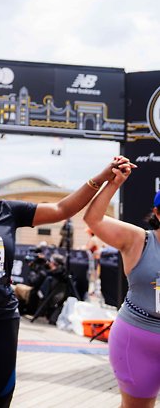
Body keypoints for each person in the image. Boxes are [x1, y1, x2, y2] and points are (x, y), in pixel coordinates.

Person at [0, 155, 131, 408]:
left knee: (1, 392)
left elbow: (62, 210)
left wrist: (102, 178)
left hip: (2, 312)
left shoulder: (8, 211)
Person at [83, 161, 160, 408]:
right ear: (158, 213)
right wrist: (113, 183)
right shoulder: (139, 240)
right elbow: (93, 219)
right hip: (137, 340)